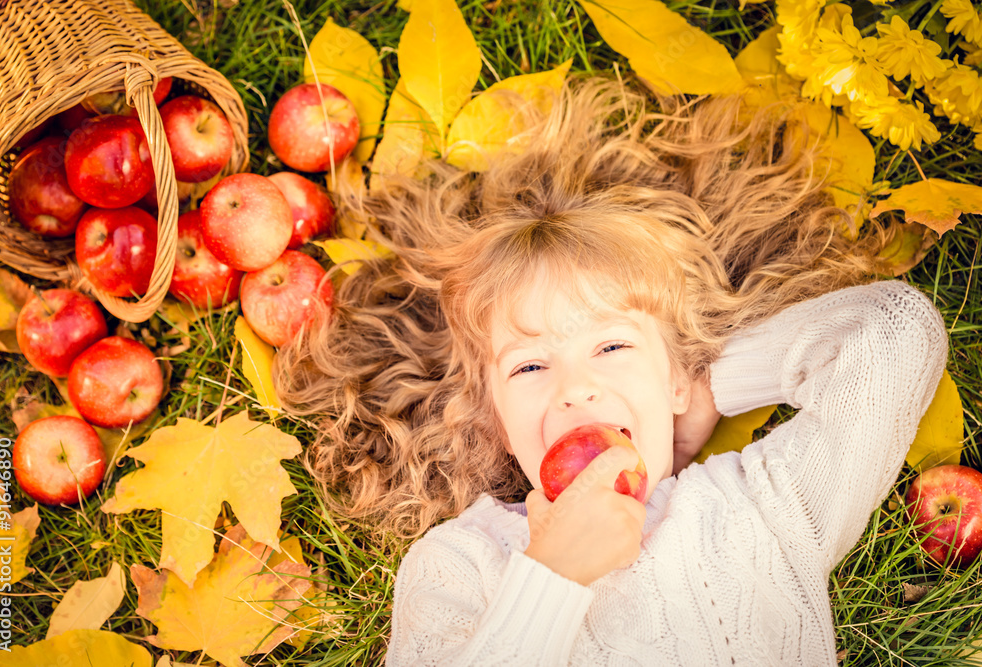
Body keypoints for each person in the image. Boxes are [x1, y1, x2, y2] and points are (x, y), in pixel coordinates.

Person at [274, 77, 949, 664]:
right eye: (532, 364)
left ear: (674, 375)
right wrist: (552, 575)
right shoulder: (464, 562)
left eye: (613, 348)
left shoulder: (761, 507)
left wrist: (705, 389)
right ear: (495, 420)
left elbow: (893, 331)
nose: (577, 387)